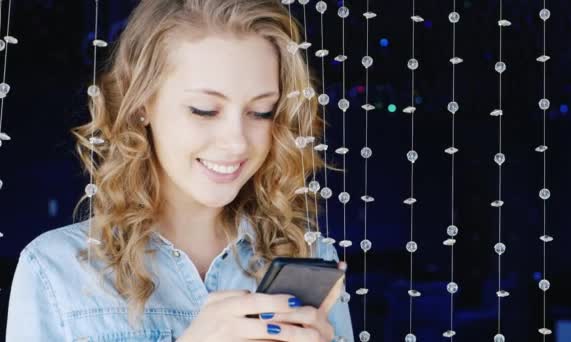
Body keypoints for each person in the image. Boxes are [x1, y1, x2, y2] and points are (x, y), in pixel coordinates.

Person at [5, 0, 354, 341]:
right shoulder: (56, 268)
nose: (237, 142)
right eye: (204, 110)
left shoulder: (308, 254)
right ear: (140, 104)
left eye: (261, 111)